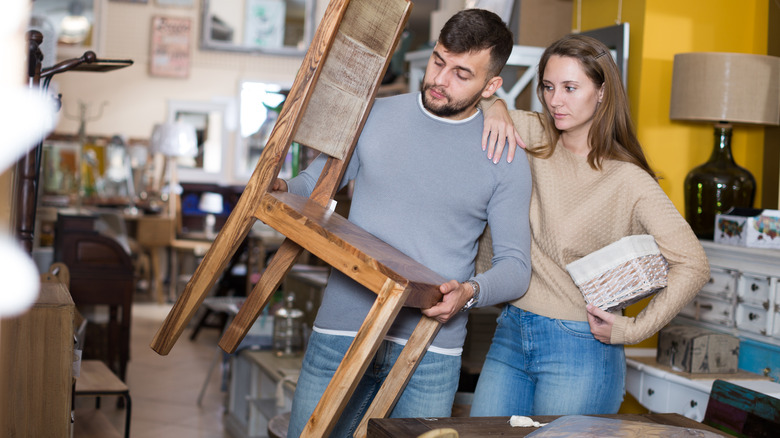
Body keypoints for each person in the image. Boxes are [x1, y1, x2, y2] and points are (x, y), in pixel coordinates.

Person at [278, 10, 534, 436]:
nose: (440, 79)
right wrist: (278, 185)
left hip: (430, 351)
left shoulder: (505, 156)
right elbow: (313, 185)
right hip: (341, 329)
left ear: (491, 87)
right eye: (438, 60)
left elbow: (516, 268)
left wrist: (470, 293)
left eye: (461, 73)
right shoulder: (373, 115)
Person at [469, 34, 710, 416]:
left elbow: (694, 264)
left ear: (601, 91)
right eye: (548, 87)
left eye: (570, 87)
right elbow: (465, 104)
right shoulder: (532, 134)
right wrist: (495, 104)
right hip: (511, 329)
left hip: (580, 347)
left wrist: (632, 330)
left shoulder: (627, 179)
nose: (554, 100)